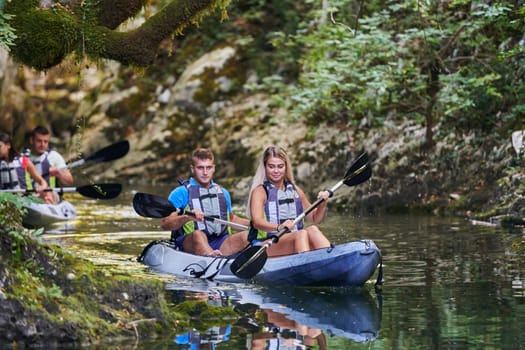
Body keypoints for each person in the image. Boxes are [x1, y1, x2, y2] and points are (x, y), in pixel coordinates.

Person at [161, 148, 250, 257]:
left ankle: (220, 257)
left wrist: (255, 223)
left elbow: (231, 220)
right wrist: (187, 217)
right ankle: (211, 257)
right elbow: (166, 224)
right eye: (200, 168)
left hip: (221, 241)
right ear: (192, 169)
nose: (205, 172)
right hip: (190, 242)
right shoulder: (180, 193)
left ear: (214, 168)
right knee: (198, 235)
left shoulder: (223, 192)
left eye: (208, 167)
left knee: (246, 236)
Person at [247, 146, 331, 256]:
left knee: (313, 230)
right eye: (271, 167)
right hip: (266, 244)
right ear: (265, 167)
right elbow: (257, 222)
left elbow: (316, 219)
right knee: (301, 234)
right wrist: (278, 227)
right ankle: (307, 265)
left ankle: (332, 258)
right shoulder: (260, 191)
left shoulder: (296, 191)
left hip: (294, 239)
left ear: (286, 167)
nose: (276, 171)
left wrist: (323, 203)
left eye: (280, 166)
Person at [27, 126, 73, 203]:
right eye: (39, 141)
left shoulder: (54, 156)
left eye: (45, 141)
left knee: (46, 194)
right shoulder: (22, 158)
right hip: (29, 195)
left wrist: (58, 173)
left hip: (50, 195)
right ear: (31, 140)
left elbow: (69, 181)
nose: (42, 144)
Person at [0, 132, 51, 202]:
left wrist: (42, 187)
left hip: (23, 199)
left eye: (0, 146)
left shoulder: (22, 160)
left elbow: (42, 181)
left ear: (8, 145)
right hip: (4, 200)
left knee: (47, 195)